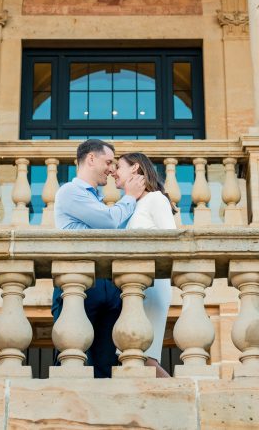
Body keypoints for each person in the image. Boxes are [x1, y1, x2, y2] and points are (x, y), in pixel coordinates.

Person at [52, 139, 146, 378]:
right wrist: (131, 197)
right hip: (79, 285)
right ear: (90, 159)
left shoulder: (97, 199)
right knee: (75, 360)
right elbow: (108, 222)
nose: (112, 169)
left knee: (107, 364)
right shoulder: (70, 192)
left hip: (108, 286)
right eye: (108, 162)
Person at [115, 152, 176, 378]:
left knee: (144, 355)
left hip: (152, 286)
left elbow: (171, 239)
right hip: (135, 288)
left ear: (135, 168)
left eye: (118, 166)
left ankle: (183, 395)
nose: (113, 172)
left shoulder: (155, 199)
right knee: (132, 353)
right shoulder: (132, 205)